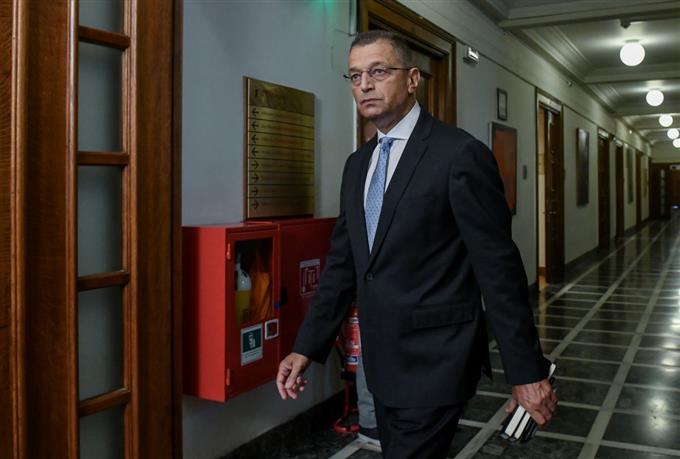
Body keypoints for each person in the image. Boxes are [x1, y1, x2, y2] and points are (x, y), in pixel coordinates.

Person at [276, 30, 557, 458]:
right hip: (379, 363)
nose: (365, 85)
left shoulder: (458, 155)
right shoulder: (358, 166)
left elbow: (498, 270)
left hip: (437, 362)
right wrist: (306, 347)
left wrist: (526, 371)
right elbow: (343, 265)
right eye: (355, 76)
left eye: (378, 72)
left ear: (412, 80)